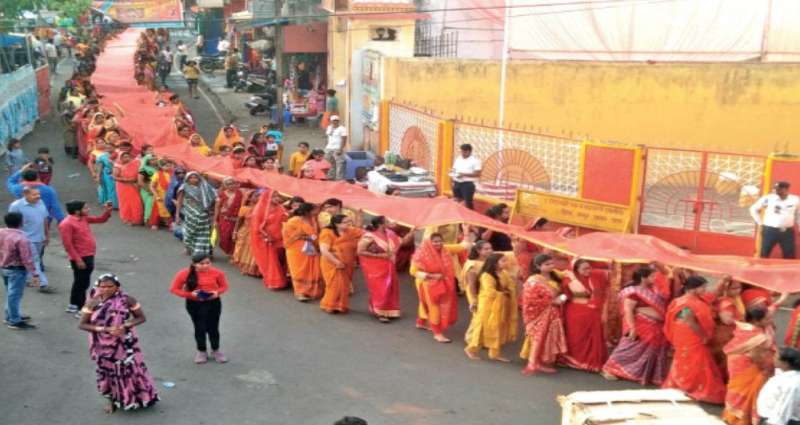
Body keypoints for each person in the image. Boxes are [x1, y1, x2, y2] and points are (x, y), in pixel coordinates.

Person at [78, 274, 159, 413]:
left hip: (125, 342)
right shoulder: (93, 302)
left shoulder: (127, 300)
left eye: (110, 286)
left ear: (117, 287)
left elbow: (141, 318)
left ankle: (138, 397)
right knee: (108, 373)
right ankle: (112, 401)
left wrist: (125, 326)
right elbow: (82, 324)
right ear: (98, 287)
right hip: (102, 345)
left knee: (130, 370)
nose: (106, 289)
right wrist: (105, 329)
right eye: (102, 287)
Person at [601, 266, 671, 385]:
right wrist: (632, 328)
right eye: (652, 276)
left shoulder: (652, 289)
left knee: (650, 350)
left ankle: (646, 374)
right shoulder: (633, 292)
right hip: (640, 326)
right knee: (629, 348)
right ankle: (609, 368)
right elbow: (628, 310)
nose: (654, 278)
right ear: (643, 278)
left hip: (655, 327)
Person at [662, 276, 726, 404]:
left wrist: (723, 282)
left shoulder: (697, 299)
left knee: (690, 360)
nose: (705, 290)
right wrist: (703, 336)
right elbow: (689, 321)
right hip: (688, 335)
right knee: (693, 360)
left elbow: (713, 295)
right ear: (693, 288)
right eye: (703, 287)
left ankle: (684, 385)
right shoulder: (685, 304)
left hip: (688, 333)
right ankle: (690, 387)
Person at [170, 254, 229, 364]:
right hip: (194, 304)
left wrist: (216, 292)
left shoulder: (218, 273)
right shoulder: (184, 273)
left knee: (213, 327)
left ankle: (215, 350)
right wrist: (190, 294)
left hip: (213, 303)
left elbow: (224, 287)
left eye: (208, 263)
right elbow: (174, 289)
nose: (205, 266)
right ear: (194, 264)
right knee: (199, 327)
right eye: (201, 264)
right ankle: (201, 351)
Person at [411, 232, 469, 343]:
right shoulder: (421, 253)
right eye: (435, 241)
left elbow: (463, 246)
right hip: (428, 284)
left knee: (425, 303)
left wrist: (466, 231)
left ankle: (421, 322)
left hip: (444, 282)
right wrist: (432, 276)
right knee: (434, 306)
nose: (438, 243)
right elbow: (413, 271)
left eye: (440, 241)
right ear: (429, 242)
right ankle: (437, 333)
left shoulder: (445, 249)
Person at [722, 308, 777, 425]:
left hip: (735, 363)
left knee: (736, 388)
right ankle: (742, 419)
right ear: (756, 321)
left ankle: (731, 416)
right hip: (747, 366)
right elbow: (755, 356)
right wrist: (765, 368)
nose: (770, 320)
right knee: (748, 391)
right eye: (767, 319)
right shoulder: (758, 337)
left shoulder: (744, 328)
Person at [59, 200, 112, 315]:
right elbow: (68, 245)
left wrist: (107, 211)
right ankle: (81, 308)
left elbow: (100, 219)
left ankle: (73, 305)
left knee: (81, 282)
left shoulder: (83, 218)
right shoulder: (66, 224)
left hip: (88, 254)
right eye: (85, 208)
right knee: (82, 283)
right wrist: (78, 260)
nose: (88, 209)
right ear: (77, 211)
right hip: (81, 257)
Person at [464, 253, 519, 362]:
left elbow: (511, 286)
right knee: (483, 328)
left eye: (506, 260)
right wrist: (504, 293)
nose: (506, 263)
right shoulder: (486, 275)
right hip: (487, 305)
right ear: (495, 263)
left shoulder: (504, 273)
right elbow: (490, 291)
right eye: (503, 261)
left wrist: (510, 289)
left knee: (498, 327)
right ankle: (471, 349)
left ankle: (494, 353)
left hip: (501, 304)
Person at [519, 254, 568, 375]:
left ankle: (543, 361)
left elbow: (568, 276)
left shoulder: (555, 275)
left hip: (553, 312)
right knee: (539, 337)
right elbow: (530, 299)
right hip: (539, 313)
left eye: (552, 263)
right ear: (537, 266)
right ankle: (534, 363)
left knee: (549, 337)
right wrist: (553, 301)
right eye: (547, 264)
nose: (551, 266)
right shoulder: (534, 280)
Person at [357, 216, 410, 322]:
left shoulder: (390, 233)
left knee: (390, 288)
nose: (389, 222)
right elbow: (360, 251)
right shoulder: (369, 236)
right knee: (380, 289)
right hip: (376, 268)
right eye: (386, 221)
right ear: (380, 225)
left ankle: (390, 311)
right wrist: (380, 256)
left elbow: (402, 242)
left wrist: (412, 231)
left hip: (389, 266)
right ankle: (380, 312)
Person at [559, 259, 608, 372]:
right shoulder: (569, 279)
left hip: (592, 311)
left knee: (592, 338)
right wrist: (555, 301)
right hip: (575, 312)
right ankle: (575, 360)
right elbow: (566, 295)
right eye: (584, 269)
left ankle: (592, 362)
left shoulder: (596, 277)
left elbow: (603, 293)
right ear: (576, 270)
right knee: (576, 337)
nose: (588, 271)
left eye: (589, 268)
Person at [8, 187, 53, 293]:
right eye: (34, 194)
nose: (38, 196)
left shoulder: (40, 202)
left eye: (38, 194)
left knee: (31, 260)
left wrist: (46, 235)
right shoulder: (16, 206)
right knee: (34, 261)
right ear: (25, 194)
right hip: (25, 239)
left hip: (39, 238)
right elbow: (11, 223)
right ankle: (43, 284)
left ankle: (27, 279)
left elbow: (44, 219)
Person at [0, 212, 40, 330]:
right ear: (21, 222)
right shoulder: (21, 238)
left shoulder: (1, 232)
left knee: (11, 293)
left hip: (4, 267)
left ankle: (11, 315)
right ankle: (14, 320)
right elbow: (26, 259)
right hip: (17, 270)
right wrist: (35, 274)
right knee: (15, 295)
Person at [319, 214, 364, 314]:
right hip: (331, 263)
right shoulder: (327, 233)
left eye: (349, 221)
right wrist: (337, 262)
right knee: (334, 286)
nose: (349, 224)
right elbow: (324, 251)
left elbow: (364, 234)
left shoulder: (351, 231)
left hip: (348, 263)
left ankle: (339, 306)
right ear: (336, 224)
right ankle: (329, 305)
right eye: (345, 222)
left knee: (344, 286)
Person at [282, 202, 323, 301]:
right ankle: (299, 292)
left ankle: (311, 291)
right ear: (307, 212)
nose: (318, 211)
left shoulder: (313, 220)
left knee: (312, 270)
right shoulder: (294, 221)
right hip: (296, 249)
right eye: (315, 210)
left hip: (311, 248)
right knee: (299, 271)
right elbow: (286, 235)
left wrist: (314, 242)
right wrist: (304, 237)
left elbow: (315, 234)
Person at [750, 181, 798, 258]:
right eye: (774, 189)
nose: (774, 191)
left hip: (787, 232)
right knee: (764, 253)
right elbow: (753, 209)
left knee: (789, 255)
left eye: (778, 189)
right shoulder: (768, 199)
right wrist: (760, 223)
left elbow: (799, 214)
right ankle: (761, 266)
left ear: (785, 189)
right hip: (769, 231)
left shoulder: (795, 200)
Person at [251, 190, 287, 289]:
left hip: (280, 238)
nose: (277, 198)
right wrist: (266, 236)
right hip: (267, 240)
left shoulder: (280, 207)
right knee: (271, 261)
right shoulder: (260, 209)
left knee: (280, 260)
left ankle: (282, 279)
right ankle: (274, 282)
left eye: (277, 196)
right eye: (274, 196)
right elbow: (256, 227)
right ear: (267, 198)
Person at [175, 172, 217, 256]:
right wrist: (177, 215)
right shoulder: (184, 187)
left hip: (203, 213)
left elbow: (214, 197)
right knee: (189, 231)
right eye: (191, 178)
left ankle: (200, 250)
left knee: (203, 232)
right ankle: (188, 248)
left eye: (195, 177)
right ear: (187, 179)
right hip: (190, 213)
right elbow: (179, 202)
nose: (193, 179)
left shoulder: (204, 187)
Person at [712, 277, 746, 377]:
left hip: (733, 332)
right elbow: (727, 321)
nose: (737, 291)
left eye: (739, 288)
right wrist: (743, 323)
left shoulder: (736, 299)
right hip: (726, 335)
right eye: (734, 288)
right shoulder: (726, 303)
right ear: (726, 289)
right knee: (726, 360)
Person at [756, 347, 800, 425]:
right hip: (769, 418)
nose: (773, 359)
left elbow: (784, 406)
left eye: (776, 357)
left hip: (776, 421)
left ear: (786, 364)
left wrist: (773, 423)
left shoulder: (791, 383)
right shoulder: (783, 375)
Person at [231, 190, 261, 277]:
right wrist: (235, 232)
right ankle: (244, 267)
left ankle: (252, 269)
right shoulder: (244, 209)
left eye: (260, 196)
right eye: (256, 196)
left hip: (256, 232)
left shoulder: (262, 210)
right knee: (243, 250)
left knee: (252, 251)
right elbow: (239, 221)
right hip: (244, 231)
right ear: (250, 198)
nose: (258, 198)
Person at [213, 178, 243, 256]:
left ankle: (232, 253)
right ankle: (226, 250)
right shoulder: (221, 194)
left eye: (233, 183)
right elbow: (217, 207)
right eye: (228, 184)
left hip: (235, 219)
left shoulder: (240, 194)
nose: (231, 185)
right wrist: (215, 220)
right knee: (224, 236)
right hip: (224, 218)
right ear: (225, 185)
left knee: (233, 236)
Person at [113, 152, 144, 225]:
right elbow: (114, 177)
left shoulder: (135, 163)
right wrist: (126, 180)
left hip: (134, 185)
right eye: (125, 157)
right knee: (125, 203)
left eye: (128, 156)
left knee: (136, 202)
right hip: (123, 186)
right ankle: (128, 219)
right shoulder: (118, 165)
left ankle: (137, 219)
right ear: (120, 158)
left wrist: (135, 180)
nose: (127, 158)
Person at [451, 144, 481, 210]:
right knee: (456, 200)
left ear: (469, 151)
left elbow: (477, 174)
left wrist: (463, 174)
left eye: (465, 152)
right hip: (457, 182)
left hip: (467, 184)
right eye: (462, 151)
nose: (463, 153)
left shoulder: (475, 161)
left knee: (468, 202)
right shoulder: (458, 159)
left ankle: (470, 215)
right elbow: (454, 169)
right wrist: (452, 173)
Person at [148, 159, 173, 229]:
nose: (169, 167)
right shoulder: (157, 174)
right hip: (160, 195)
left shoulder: (173, 173)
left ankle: (169, 224)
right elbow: (151, 186)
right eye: (166, 166)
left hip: (170, 195)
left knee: (170, 209)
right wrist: (156, 195)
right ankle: (155, 223)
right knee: (157, 210)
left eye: (170, 165)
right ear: (161, 166)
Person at [94, 145, 118, 209]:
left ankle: (118, 205)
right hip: (107, 175)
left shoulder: (119, 154)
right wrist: (98, 176)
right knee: (109, 190)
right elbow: (100, 167)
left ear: (114, 147)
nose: (109, 149)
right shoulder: (103, 156)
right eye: (107, 148)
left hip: (118, 174)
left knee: (117, 190)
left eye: (110, 147)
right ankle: (111, 205)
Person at [324, 116, 348, 181]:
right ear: (331, 121)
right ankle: (330, 177)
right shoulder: (329, 127)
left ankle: (339, 179)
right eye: (333, 120)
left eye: (336, 120)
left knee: (340, 164)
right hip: (329, 148)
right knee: (329, 163)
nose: (335, 121)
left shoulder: (342, 128)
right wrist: (326, 146)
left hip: (337, 148)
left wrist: (341, 149)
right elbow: (327, 137)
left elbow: (344, 139)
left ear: (338, 121)